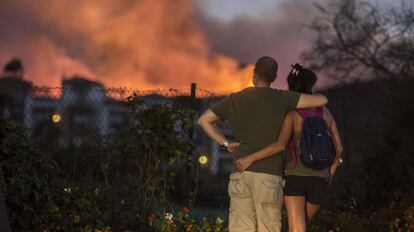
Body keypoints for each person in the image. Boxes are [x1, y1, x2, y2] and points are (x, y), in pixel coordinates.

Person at [197, 57, 328, 232]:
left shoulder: (235, 99)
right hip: (269, 176)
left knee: (241, 228)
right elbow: (322, 100)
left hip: (241, 172)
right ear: (274, 78)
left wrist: (226, 143)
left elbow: (204, 120)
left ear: (253, 74)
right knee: (268, 227)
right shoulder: (283, 98)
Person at [235, 64, 343, 232]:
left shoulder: (292, 114)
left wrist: (251, 157)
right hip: (321, 178)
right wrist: (330, 173)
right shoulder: (325, 113)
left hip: (296, 176)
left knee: (297, 229)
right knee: (303, 226)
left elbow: (279, 145)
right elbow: (339, 148)